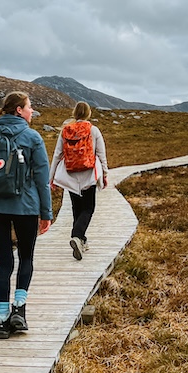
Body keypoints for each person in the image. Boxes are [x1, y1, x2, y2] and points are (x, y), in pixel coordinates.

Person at [0, 91, 52, 339]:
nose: (32, 111)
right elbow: (42, 180)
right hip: (26, 207)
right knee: (26, 258)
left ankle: (2, 320)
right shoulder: (32, 137)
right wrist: (45, 213)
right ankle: (19, 310)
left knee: (4, 263)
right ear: (18, 110)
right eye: (30, 107)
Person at [49, 101, 108, 261]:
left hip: (70, 174)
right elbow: (101, 154)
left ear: (75, 113)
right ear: (88, 113)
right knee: (88, 208)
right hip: (88, 173)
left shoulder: (65, 130)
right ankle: (77, 235)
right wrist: (104, 174)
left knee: (77, 208)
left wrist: (51, 177)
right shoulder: (94, 130)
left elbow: (57, 154)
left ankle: (81, 241)